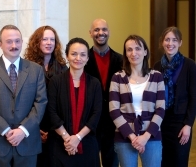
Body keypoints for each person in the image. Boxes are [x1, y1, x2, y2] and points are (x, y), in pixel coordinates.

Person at [0, 25, 47, 167]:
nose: (14, 45)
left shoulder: (36, 70)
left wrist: (23, 130)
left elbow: (41, 103)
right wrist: (6, 130)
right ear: (0, 44)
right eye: (9, 41)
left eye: (17, 41)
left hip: (27, 143)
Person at [109, 35, 165, 167]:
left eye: (138, 48)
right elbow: (114, 110)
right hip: (124, 136)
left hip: (152, 136)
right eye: (129, 50)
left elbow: (161, 109)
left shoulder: (157, 76)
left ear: (145, 52)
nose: (134, 53)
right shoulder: (117, 78)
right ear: (126, 54)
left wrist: (145, 136)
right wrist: (133, 137)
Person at [47, 37, 102, 167]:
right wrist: (67, 138)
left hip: (87, 144)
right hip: (60, 144)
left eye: (83, 55)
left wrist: (77, 138)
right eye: (74, 54)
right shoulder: (56, 82)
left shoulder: (94, 83)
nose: (78, 58)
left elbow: (96, 114)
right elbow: (51, 112)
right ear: (67, 56)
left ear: (88, 58)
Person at [24, 25, 68, 167]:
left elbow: (65, 101)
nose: (49, 43)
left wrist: (55, 128)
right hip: (33, 125)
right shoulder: (26, 67)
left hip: (57, 125)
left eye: (52, 39)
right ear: (37, 42)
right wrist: (35, 127)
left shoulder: (63, 68)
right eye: (44, 39)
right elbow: (24, 100)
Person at [154, 26, 196, 167]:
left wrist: (188, 125)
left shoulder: (190, 65)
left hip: (181, 123)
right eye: (167, 40)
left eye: (174, 40)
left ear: (180, 43)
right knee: (163, 161)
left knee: (179, 161)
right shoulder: (157, 66)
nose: (170, 43)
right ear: (162, 42)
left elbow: (193, 97)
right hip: (161, 122)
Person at [84, 18, 122, 167]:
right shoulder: (83, 60)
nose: (101, 33)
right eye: (97, 30)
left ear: (109, 32)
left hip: (113, 123)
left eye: (104, 29)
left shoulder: (120, 60)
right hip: (90, 121)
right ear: (90, 33)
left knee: (112, 163)